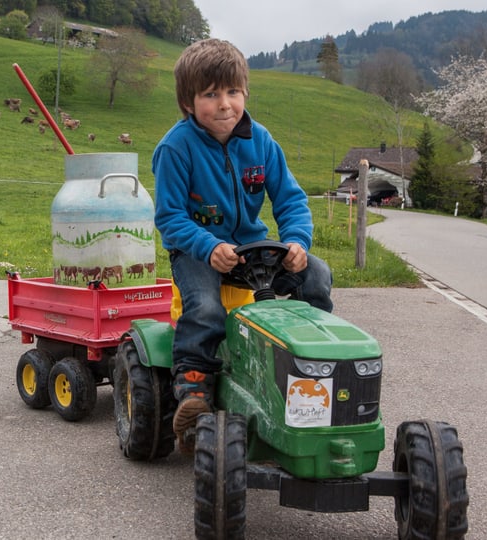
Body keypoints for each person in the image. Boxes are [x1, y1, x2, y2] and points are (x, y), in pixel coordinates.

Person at [152, 38, 334, 452]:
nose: (224, 105)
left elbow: (289, 198)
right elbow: (170, 218)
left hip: (253, 246)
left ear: (245, 92)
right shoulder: (175, 149)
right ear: (188, 101)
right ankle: (194, 388)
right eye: (211, 94)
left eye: (232, 92)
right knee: (206, 305)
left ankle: (308, 364)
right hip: (198, 251)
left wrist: (296, 241)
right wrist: (206, 245)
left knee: (317, 275)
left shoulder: (262, 142)